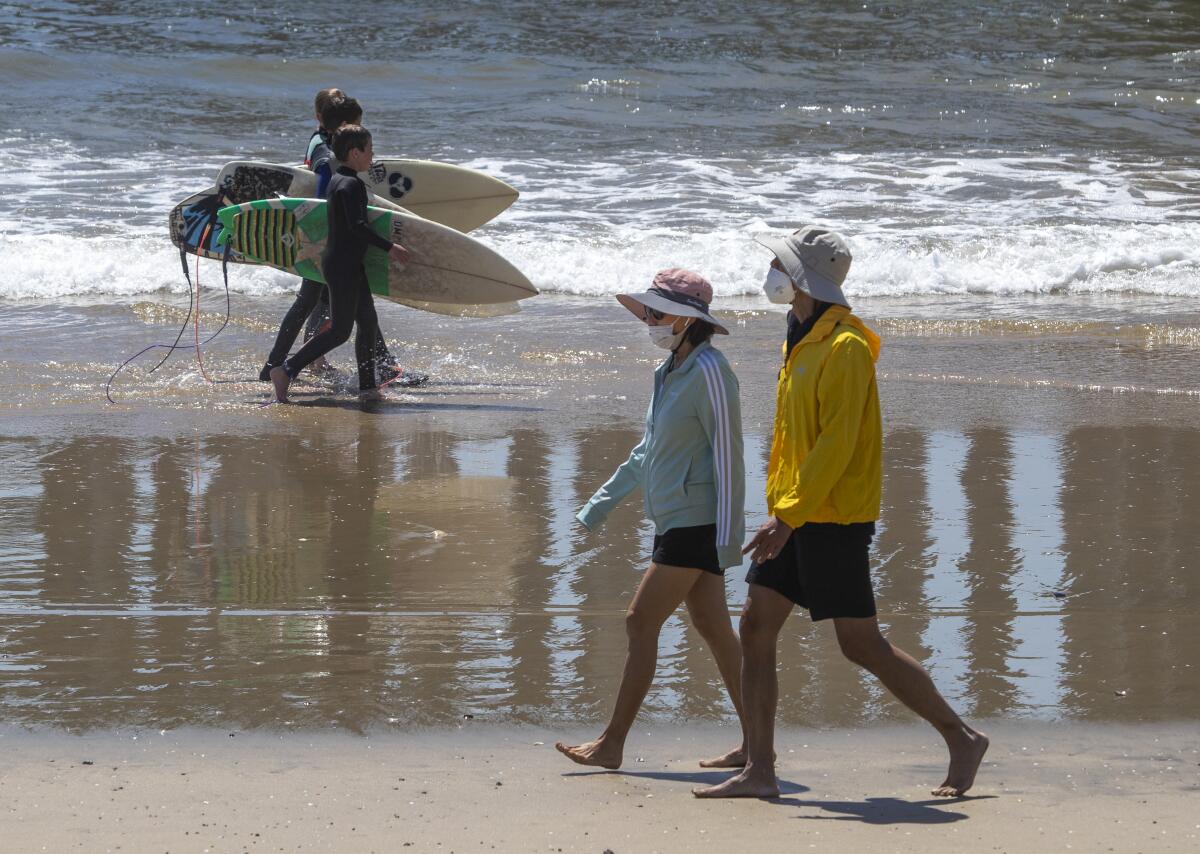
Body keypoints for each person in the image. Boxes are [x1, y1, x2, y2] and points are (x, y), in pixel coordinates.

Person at [694, 227, 989, 800]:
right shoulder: (801, 334)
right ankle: (760, 766)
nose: (771, 275)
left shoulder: (845, 347)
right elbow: (795, 438)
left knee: (860, 644)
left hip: (832, 518)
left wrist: (790, 516)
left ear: (802, 279)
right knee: (755, 625)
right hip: (797, 511)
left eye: (780, 266)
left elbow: (836, 444)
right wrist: (782, 507)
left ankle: (961, 737)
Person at [555, 269, 751, 771]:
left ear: (688, 321)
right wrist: (600, 503)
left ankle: (612, 743)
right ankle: (757, 742)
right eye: (648, 312)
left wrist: (728, 542)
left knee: (639, 621)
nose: (649, 321)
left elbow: (729, 455)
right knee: (713, 628)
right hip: (673, 519)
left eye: (657, 313)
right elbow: (649, 451)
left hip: (698, 524)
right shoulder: (669, 372)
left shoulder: (710, 370)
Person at [261, 94, 426, 388]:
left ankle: (368, 386)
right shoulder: (344, 180)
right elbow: (351, 222)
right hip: (338, 260)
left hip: (347, 261)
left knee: (366, 322)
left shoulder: (343, 176)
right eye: (369, 150)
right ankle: (285, 368)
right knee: (339, 329)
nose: (373, 157)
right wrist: (390, 247)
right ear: (353, 150)